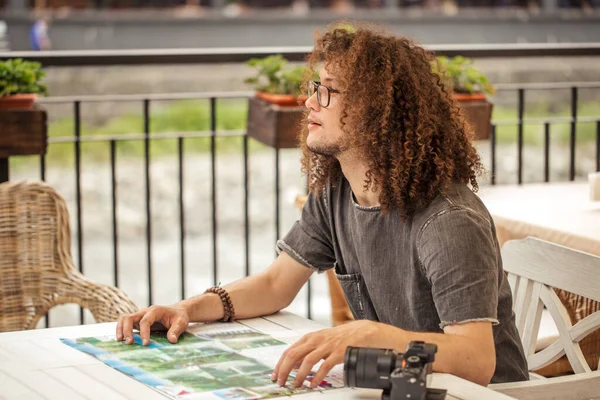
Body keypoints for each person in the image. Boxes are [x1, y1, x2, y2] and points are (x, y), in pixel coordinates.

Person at [117, 22, 529, 387]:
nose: (310, 103)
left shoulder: (448, 220)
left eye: (328, 91)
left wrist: (371, 334)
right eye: (315, 88)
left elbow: (476, 362)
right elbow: (276, 284)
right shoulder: (335, 193)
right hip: (404, 387)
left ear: (377, 111)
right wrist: (188, 308)